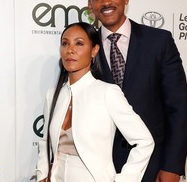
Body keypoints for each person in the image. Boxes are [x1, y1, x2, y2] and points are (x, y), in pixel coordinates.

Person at [87, 0, 187, 182]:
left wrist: (172, 166)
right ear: (90, 6)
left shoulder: (159, 42)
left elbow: (178, 108)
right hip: (101, 168)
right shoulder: (86, 48)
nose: (106, 2)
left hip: (152, 165)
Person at [36, 22, 155, 182]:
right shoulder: (53, 95)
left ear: (94, 50)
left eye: (79, 43)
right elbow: (45, 142)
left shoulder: (107, 93)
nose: (70, 49)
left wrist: (124, 179)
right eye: (65, 43)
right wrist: (42, 175)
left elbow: (144, 141)